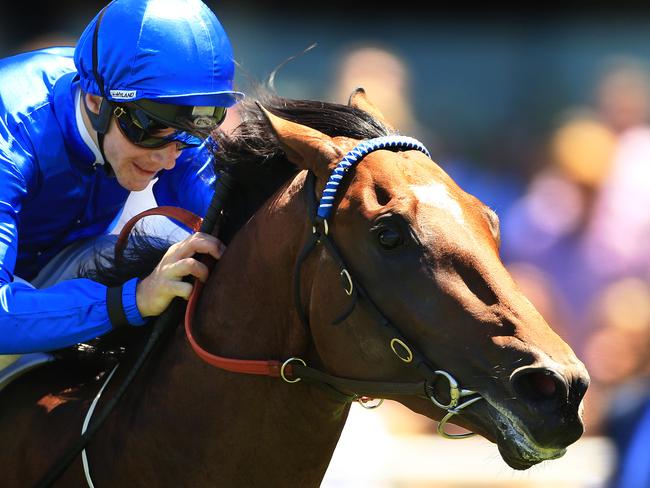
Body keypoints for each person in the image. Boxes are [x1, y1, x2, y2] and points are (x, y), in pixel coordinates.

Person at [0, 0, 242, 361]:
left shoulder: (165, 121)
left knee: (184, 251)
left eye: (195, 130)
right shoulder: (12, 136)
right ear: (97, 101)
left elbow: (233, 231)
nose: (168, 157)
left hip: (46, 265)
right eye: (151, 130)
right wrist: (136, 298)